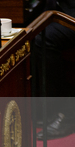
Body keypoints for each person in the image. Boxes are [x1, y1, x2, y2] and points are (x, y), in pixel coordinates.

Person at [34, 0, 75, 139]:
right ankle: (53, 109)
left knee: (43, 38)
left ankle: (67, 112)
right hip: (60, 7)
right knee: (29, 29)